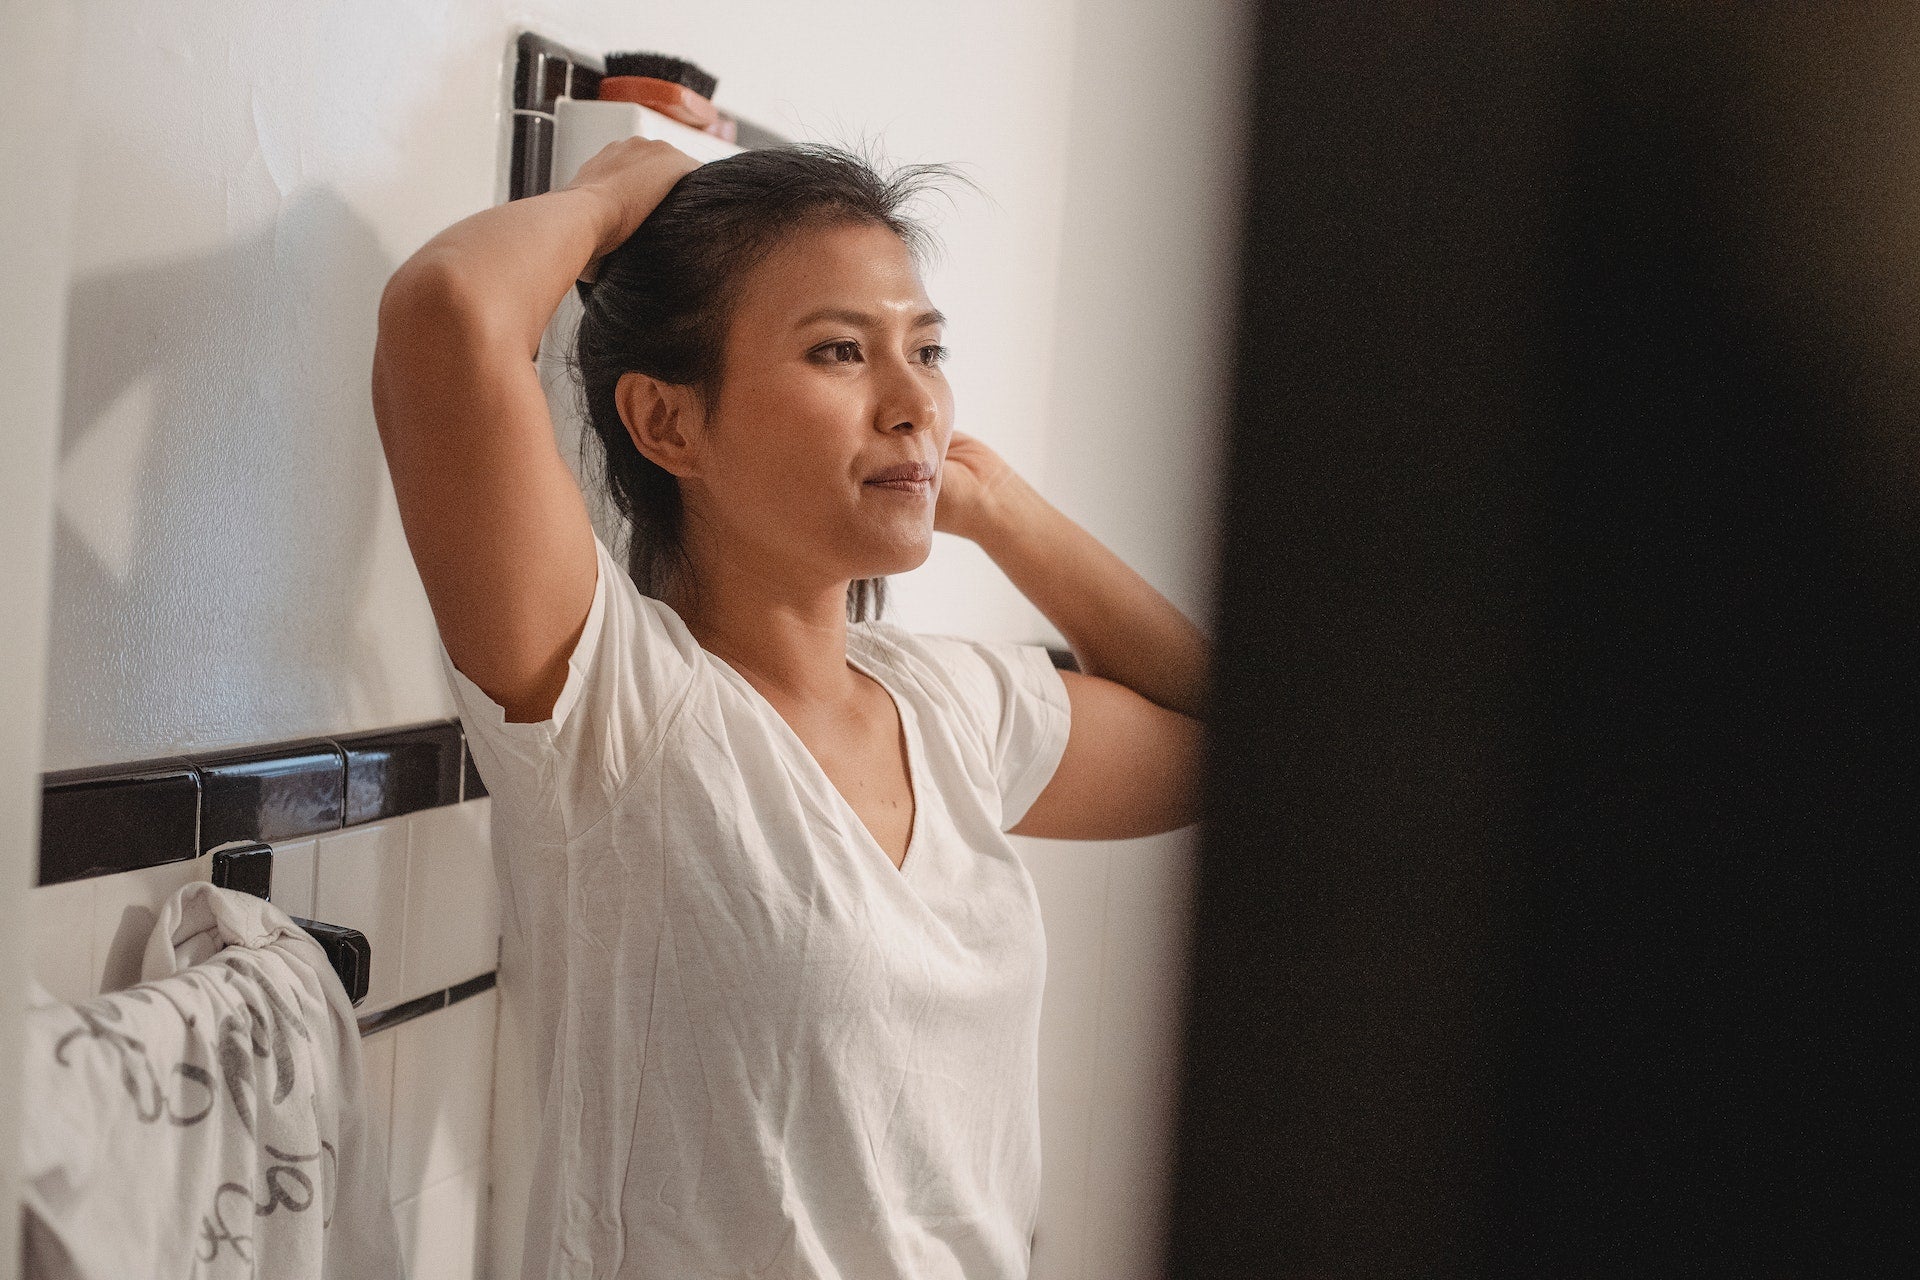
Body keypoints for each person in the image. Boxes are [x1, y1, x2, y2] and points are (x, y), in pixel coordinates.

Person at [370, 135, 1208, 1279]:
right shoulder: (618, 704)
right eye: (840, 351)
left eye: (928, 348)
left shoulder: (954, 705)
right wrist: (609, 198)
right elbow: (449, 312)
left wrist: (1001, 504)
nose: (914, 401)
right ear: (670, 424)